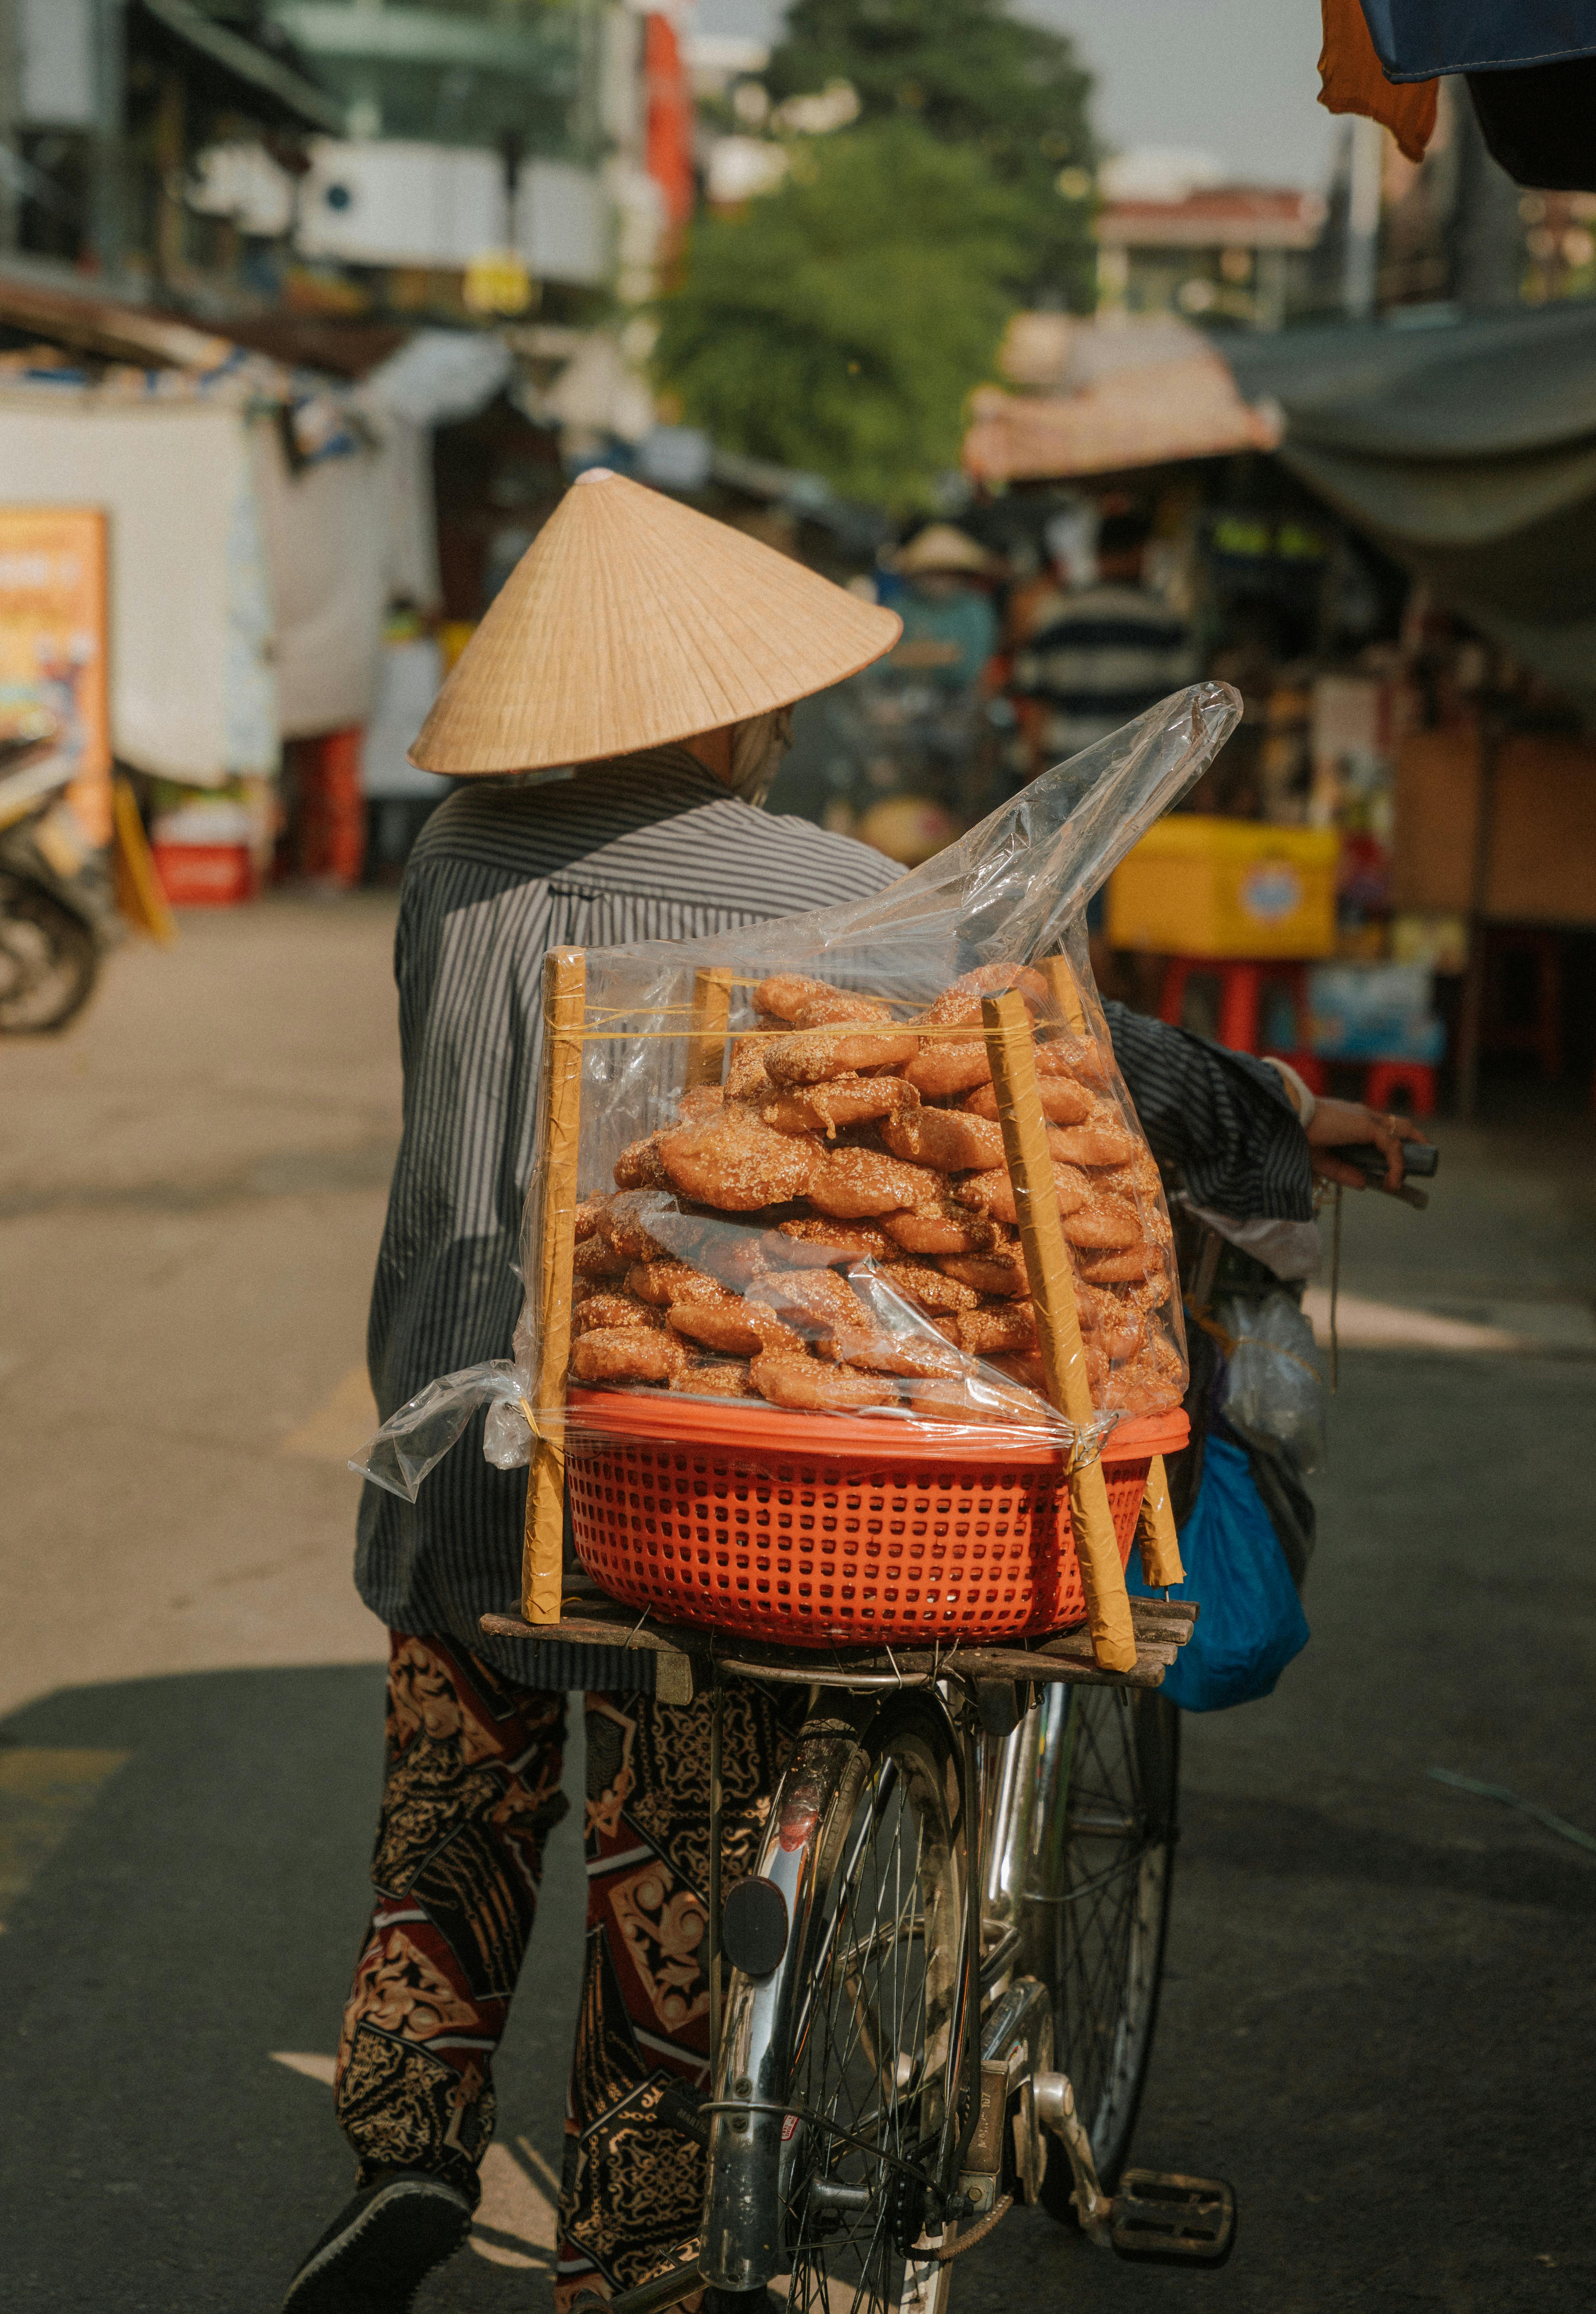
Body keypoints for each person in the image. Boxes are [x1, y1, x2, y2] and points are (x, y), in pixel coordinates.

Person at [281, 470, 1420, 2313]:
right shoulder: (813, 887)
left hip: (453, 1457)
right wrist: (1278, 1114)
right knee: (674, 1854)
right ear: (719, 705)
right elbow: (1078, 1057)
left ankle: (406, 2136)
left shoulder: (450, 860)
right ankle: (632, 2236)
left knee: (451, 1809)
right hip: (667, 1480)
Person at [1010, 507, 1198, 774]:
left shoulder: (1057, 613)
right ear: (1141, 552)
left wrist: (1033, 772)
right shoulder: (1164, 621)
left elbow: (1035, 701)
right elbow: (1181, 708)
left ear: (1096, 553)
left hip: (1063, 770)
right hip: (1133, 774)